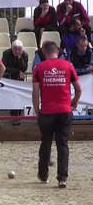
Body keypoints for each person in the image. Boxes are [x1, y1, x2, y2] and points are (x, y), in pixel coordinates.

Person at [32, 40, 82, 188]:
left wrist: (37, 111)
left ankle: (43, 175)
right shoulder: (68, 65)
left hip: (47, 112)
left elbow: (35, 93)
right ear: (58, 51)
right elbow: (79, 90)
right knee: (63, 144)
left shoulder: (39, 68)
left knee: (45, 142)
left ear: (43, 52)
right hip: (64, 111)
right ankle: (62, 178)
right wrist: (73, 102)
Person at [1, 40, 29, 125]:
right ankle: (14, 118)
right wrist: (17, 71)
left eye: (19, 49)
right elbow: (4, 67)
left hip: (19, 79)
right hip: (9, 78)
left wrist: (20, 58)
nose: (17, 51)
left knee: (19, 97)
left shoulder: (25, 55)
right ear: (12, 48)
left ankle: (18, 117)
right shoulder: (6, 53)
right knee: (13, 98)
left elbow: (24, 68)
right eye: (15, 49)